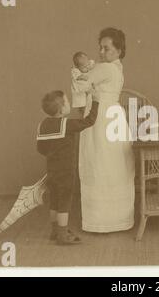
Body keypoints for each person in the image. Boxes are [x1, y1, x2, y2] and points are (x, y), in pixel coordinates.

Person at [72, 27, 135, 232]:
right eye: (100, 48)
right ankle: (118, 218)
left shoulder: (105, 68)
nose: (101, 52)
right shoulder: (117, 67)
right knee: (113, 164)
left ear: (118, 50)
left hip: (101, 118)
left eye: (106, 48)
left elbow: (81, 85)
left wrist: (77, 73)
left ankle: (101, 220)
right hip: (114, 116)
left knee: (100, 162)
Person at [37, 90, 99, 244]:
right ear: (61, 109)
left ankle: (55, 231)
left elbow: (41, 149)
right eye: (67, 102)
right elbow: (89, 121)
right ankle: (63, 236)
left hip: (51, 170)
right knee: (64, 202)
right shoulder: (67, 124)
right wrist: (96, 102)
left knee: (54, 200)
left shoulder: (42, 125)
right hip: (66, 171)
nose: (69, 104)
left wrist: (53, 153)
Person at [71, 51, 96, 117]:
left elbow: (92, 63)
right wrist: (84, 77)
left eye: (87, 65)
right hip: (80, 97)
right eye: (84, 67)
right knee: (84, 112)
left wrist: (88, 65)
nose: (87, 68)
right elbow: (79, 77)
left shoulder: (87, 65)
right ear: (77, 67)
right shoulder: (75, 71)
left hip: (87, 95)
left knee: (90, 109)